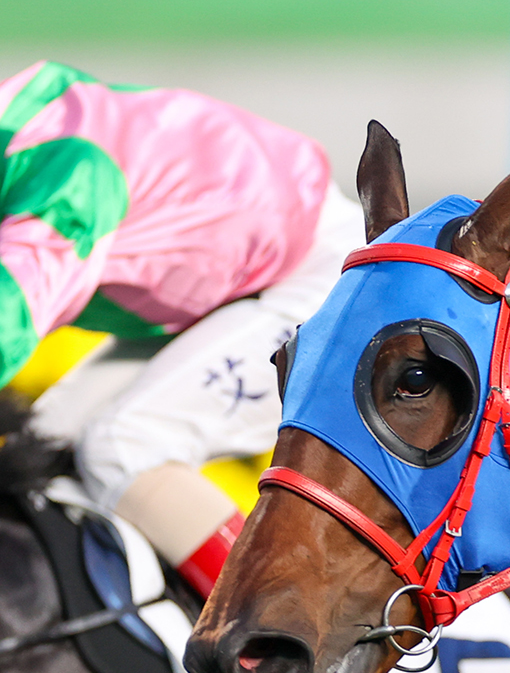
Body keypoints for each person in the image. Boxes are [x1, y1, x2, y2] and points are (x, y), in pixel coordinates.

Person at [0, 60, 360, 597]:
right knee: (50, 450)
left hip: (324, 278)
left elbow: (10, 320)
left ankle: (286, 633)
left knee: (123, 448)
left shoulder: (63, 173)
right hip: (225, 283)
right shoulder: (24, 131)